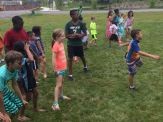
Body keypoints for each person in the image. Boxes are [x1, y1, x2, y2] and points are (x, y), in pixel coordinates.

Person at [13, 41, 45, 121]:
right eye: (25, 45)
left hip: (29, 77)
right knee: (28, 97)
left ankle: (35, 108)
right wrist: (27, 49)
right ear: (22, 48)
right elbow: (31, 59)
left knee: (36, 93)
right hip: (24, 79)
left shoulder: (22, 54)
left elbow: (34, 57)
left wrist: (28, 49)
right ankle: (20, 116)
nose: (26, 46)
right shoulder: (18, 57)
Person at [0, 50, 28, 121]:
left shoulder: (14, 69)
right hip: (0, 92)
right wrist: (4, 113)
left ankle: (8, 118)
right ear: (10, 63)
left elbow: (15, 85)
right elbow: (0, 97)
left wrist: (22, 99)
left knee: (19, 104)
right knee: (12, 109)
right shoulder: (2, 75)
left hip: (3, 89)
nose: (21, 64)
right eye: (19, 63)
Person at [65, 9, 88, 80]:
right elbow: (66, 35)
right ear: (71, 15)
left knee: (82, 56)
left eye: (78, 14)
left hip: (79, 44)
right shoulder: (68, 24)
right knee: (70, 58)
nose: (78, 15)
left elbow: (85, 33)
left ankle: (85, 66)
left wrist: (80, 35)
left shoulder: (81, 23)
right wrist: (72, 36)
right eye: (76, 14)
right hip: (71, 44)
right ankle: (70, 74)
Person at [51, 29, 71, 111]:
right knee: (58, 85)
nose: (64, 37)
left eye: (64, 35)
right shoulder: (56, 45)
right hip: (59, 68)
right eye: (62, 36)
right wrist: (55, 69)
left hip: (63, 67)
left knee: (62, 82)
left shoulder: (61, 43)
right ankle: (55, 104)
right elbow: (53, 58)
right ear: (57, 37)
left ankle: (61, 95)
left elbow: (62, 54)